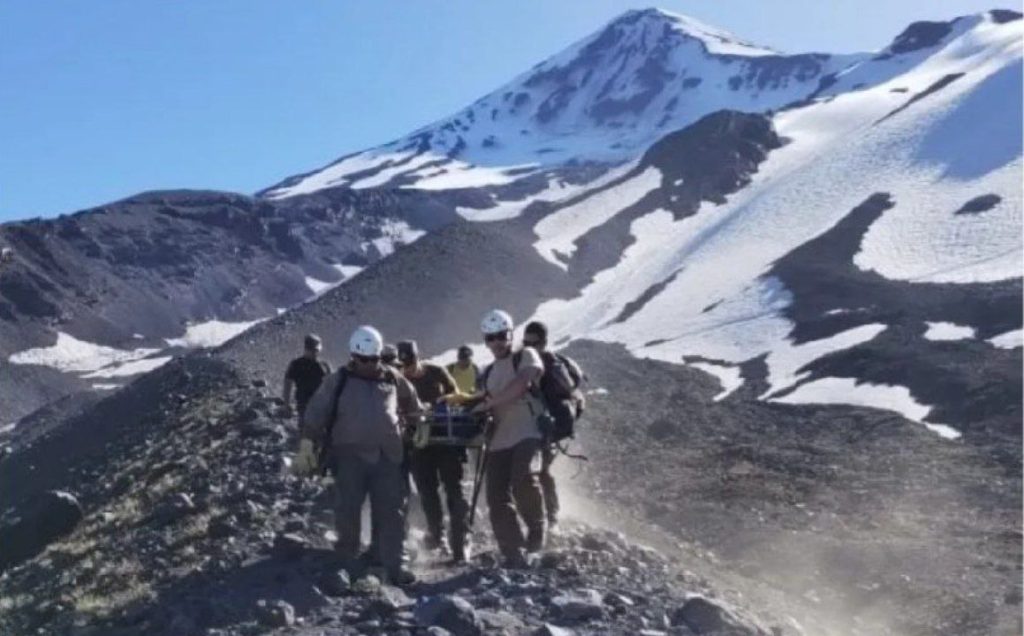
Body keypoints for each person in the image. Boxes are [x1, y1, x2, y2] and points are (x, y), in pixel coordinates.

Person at [294, 325, 422, 585]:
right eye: (363, 360)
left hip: (388, 456)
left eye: (373, 359)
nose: (369, 365)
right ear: (353, 356)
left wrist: (419, 425)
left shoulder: (393, 378)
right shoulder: (337, 380)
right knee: (348, 510)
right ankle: (347, 565)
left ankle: (392, 565)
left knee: (392, 512)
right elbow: (316, 412)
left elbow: (412, 403)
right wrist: (307, 444)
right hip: (349, 456)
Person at [471, 309, 546, 567]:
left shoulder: (526, 355)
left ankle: (537, 531)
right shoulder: (487, 371)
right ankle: (513, 552)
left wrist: (491, 402)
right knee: (496, 498)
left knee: (523, 478)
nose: (496, 342)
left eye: (501, 336)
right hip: (498, 440)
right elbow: (480, 400)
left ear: (511, 334)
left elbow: (522, 384)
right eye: (490, 338)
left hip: (527, 432)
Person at [397, 340, 471, 562]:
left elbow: (456, 396)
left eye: (410, 361)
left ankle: (461, 536)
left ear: (417, 357)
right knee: (427, 491)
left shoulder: (436, 372)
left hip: (446, 440)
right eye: (403, 363)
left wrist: (441, 404)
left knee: (453, 488)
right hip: (420, 443)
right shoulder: (399, 381)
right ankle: (436, 534)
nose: (407, 366)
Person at [522, 321, 585, 529]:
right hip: (531, 424)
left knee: (540, 469)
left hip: (551, 427)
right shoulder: (525, 361)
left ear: (544, 342)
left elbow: (565, 393)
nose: (530, 346)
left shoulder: (551, 364)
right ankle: (543, 513)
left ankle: (551, 515)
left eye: (534, 343)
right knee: (535, 470)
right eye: (526, 342)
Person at [282, 334, 332, 425]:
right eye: (311, 350)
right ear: (306, 349)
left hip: (321, 407)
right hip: (304, 406)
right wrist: (286, 403)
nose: (314, 353)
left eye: (315, 350)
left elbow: (331, 386)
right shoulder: (296, 364)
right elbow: (287, 384)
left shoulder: (324, 365)